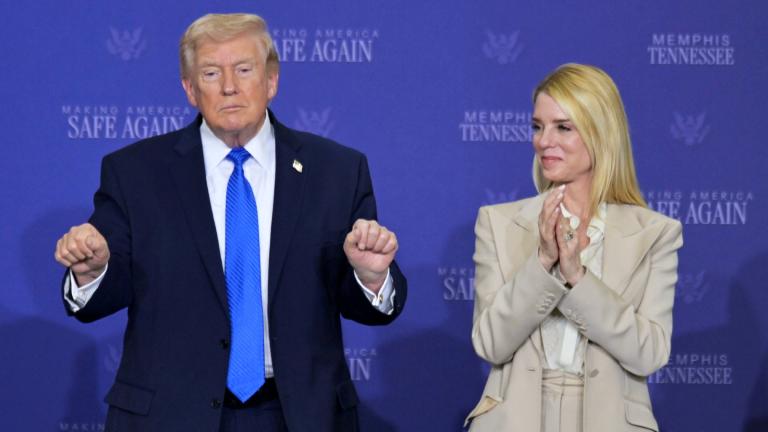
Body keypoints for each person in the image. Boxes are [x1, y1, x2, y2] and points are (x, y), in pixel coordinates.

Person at [54, 13, 407, 432]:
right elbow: (106, 291)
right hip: (171, 415)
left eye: (244, 69)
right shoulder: (135, 173)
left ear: (271, 81)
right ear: (189, 89)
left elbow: (363, 303)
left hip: (298, 416)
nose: (228, 86)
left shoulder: (336, 171)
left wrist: (369, 278)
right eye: (210, 72)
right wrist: (93, 271)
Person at [464, 64, 682, 432]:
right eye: (538, 126)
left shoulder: (655, 234)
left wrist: (577, 278)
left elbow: (650, 354)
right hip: (513, 419)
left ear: (601, 134)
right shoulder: (498, 223)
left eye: (563, 127)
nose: (544, 140)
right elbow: (490, 344)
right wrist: (543, 261)